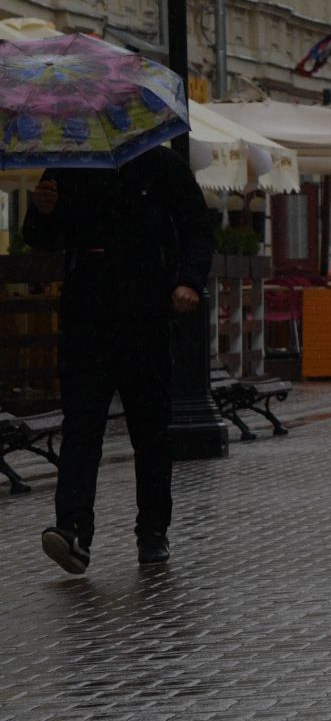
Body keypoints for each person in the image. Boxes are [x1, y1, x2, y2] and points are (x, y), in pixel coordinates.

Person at [23, 145, 213, 573]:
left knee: (150, 430)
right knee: (81, 425)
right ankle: (72, 531)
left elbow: (198, 228)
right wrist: (42, 211)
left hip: (146, 316)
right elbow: (40, 237)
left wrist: (189, 281)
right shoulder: (69, 164)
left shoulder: (160, 166)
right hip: (86, 317)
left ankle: (152, 532)